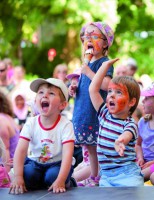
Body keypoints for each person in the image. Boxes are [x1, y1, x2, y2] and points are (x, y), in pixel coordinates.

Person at [9, 78, 75, 194]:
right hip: (35, 162)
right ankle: (41, 181)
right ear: (35, 101)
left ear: (62, 105)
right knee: (28, 175)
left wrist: (60, 180)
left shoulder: (66, 125)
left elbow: (67, 155)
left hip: (58, 163)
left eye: (51, 93)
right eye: (41, 92)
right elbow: (20, 151)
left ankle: (67, 181)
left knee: (52, 176)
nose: (44, 96)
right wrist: (18, 177)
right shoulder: (31, 123)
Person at [69, 21, 114, 186]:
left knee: (95, 149)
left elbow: (106, 85)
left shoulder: (104, 63)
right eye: (86, 36)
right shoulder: (86, 63)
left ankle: (96, 176)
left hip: (94, 112)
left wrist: (87, 71)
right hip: (82, 110)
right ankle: (93, 175)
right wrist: (74, 88)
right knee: (88, 148)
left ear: (104, 44)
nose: (88, 39)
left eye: (94, 36)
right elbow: (85, 85)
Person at [89, 58, 144, 187]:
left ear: (131, 102)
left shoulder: (130, 124)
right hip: (106, 176)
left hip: (127, 175)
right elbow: (93, 89)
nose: (111, 96)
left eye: (118, 92)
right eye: (110, 91)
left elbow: (127, 135)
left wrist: (120, 141)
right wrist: (104, 66)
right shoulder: (104, 113)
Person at [0, 92, 19, 174]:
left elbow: (5, 150)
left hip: (9, 169)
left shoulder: (1, 120)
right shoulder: (6, 117)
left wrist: (6, 176)